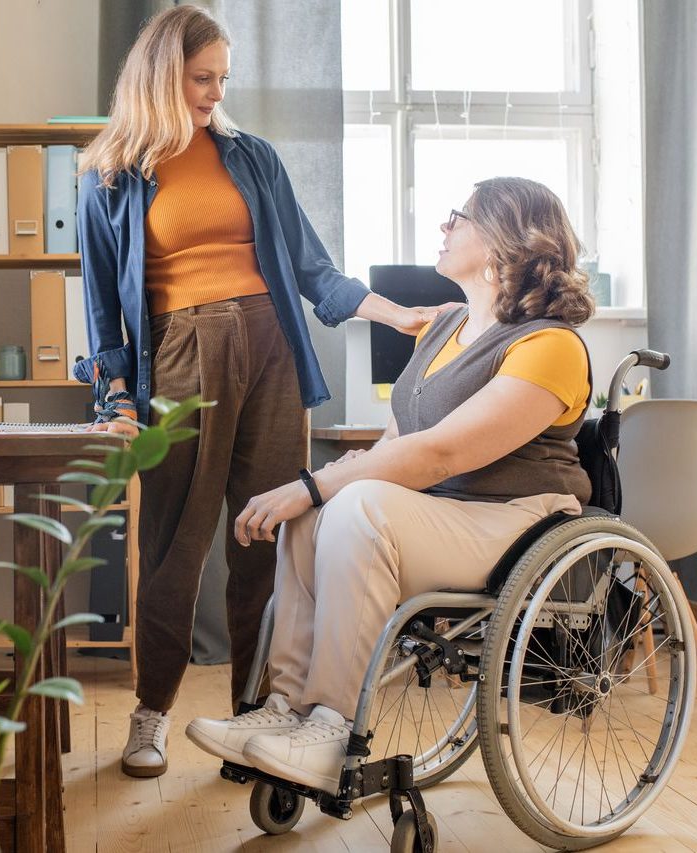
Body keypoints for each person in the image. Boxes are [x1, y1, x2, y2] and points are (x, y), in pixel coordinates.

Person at [73, 4, 441, 778]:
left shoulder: (253, 158)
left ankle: (254, 717)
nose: (214, 93)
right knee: (174, 546)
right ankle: (151, 712)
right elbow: (105, 313)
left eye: (221, 80)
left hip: (272, 347)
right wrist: (119, 401)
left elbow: (314, 271)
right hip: (180, 356)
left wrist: (394, 311)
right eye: (202, 78)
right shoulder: (109, 176)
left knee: (267, 538)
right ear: (161, 75)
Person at [186, 176, 596, 794]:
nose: (444, 226)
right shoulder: (444, 326)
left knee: (356, 503)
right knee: (318, 511)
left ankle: (333, 725)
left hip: (517, 519)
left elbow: (442, 452)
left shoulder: (551, 345)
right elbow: (393, 447)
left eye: (460, 216)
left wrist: (316, 483)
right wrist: (314, 493)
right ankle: (287, 709)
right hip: (441, 516)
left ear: (501, 240)